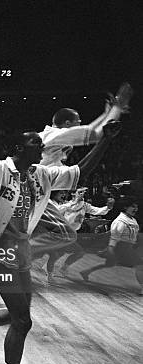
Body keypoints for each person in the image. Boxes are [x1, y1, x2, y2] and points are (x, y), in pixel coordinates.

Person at [0, 108, 122, 364]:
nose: (42, 146)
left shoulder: (41, 173)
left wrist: (105, 141)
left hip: (20, 250)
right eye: (35, 143)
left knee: (17, 314)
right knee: (23, 320)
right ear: (19, 148)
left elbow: (78, 173)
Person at [30, 83, 132, 257]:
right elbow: (96, 134)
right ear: (67, 124)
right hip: (34, 190)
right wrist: (117, 108)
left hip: (42, 189)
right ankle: (21, 253)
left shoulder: (53, 138)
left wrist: (106, 114)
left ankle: (22, 253)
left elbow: (94, 129)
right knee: (59, 234)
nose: (80, 125)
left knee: (66, 234)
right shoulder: (55, 135)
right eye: (77, 123)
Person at [44, 187, 114, 282]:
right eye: (80, 192)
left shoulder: (84, 205)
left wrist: (108, 207)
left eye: (84, 192)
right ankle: (49, 274)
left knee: (79, 252)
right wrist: (73, 202)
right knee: (57, 254)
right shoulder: (65, 204)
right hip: (60, 233)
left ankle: (63, 268)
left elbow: (98, 211)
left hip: (72, 235)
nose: (83, 193)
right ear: (73, 194)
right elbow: (56, 210)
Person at [80, 196, 143, 294]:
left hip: (127, 247)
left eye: (136, 207)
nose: (135, 209)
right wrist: (111, 248)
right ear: (125, 207)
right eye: (133, 207)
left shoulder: (132, 220)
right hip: (122, 247)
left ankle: (86, 272)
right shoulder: (120, 221)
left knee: (109, 264)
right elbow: (114, 236)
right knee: (140, 265)